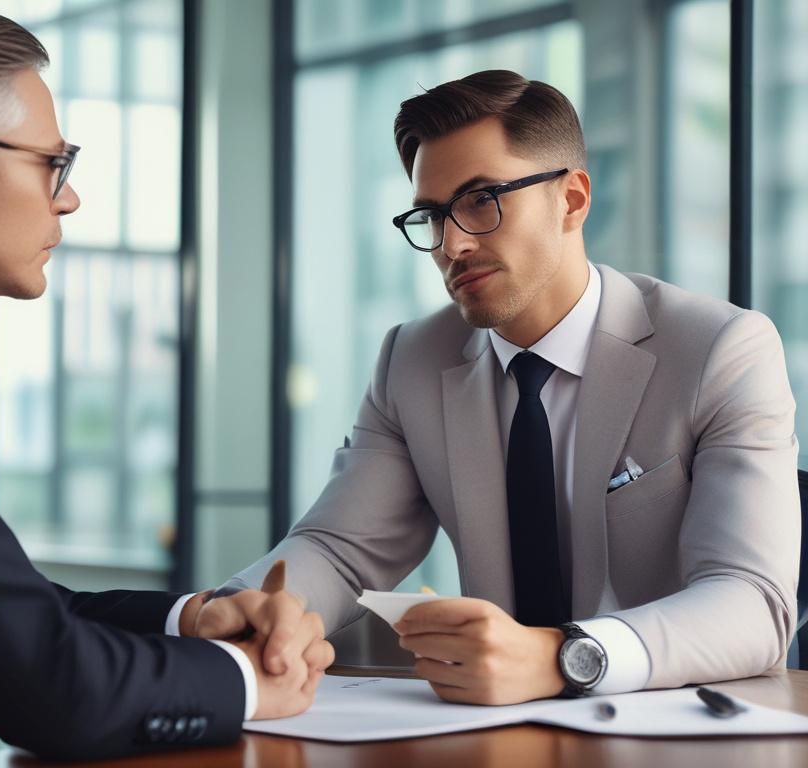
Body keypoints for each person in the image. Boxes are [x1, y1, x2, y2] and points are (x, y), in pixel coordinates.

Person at [0, 12, 331, 767]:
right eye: (55, 165)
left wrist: (193, 619)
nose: (67, 200)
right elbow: (45, 682)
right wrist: (246, 679)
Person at [224, 69, 800, 705]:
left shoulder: (720, 349)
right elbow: (338, 550)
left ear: (573, 200)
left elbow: (752, 601)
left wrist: (565, 656)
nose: (452, 244)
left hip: (676, 727)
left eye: (481, 201)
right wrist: (242, 615)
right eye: (432, 215)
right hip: (492, 731)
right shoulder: (410, 360)